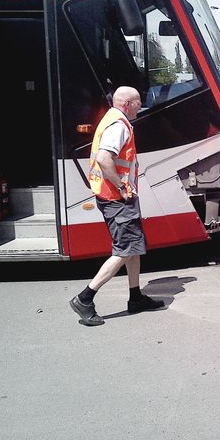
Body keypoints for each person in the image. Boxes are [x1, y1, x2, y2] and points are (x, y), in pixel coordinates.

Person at [69, 86, 164, 326]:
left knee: (133, 246)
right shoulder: (119, 126)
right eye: (138, 102)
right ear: (127, 104)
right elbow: (104, 158)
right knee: (124, 250)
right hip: (117, 197)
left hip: (115, 197)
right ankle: (85, 298)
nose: (140, 107)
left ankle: (135, 297)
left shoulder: (111, 119)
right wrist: (121, 186)